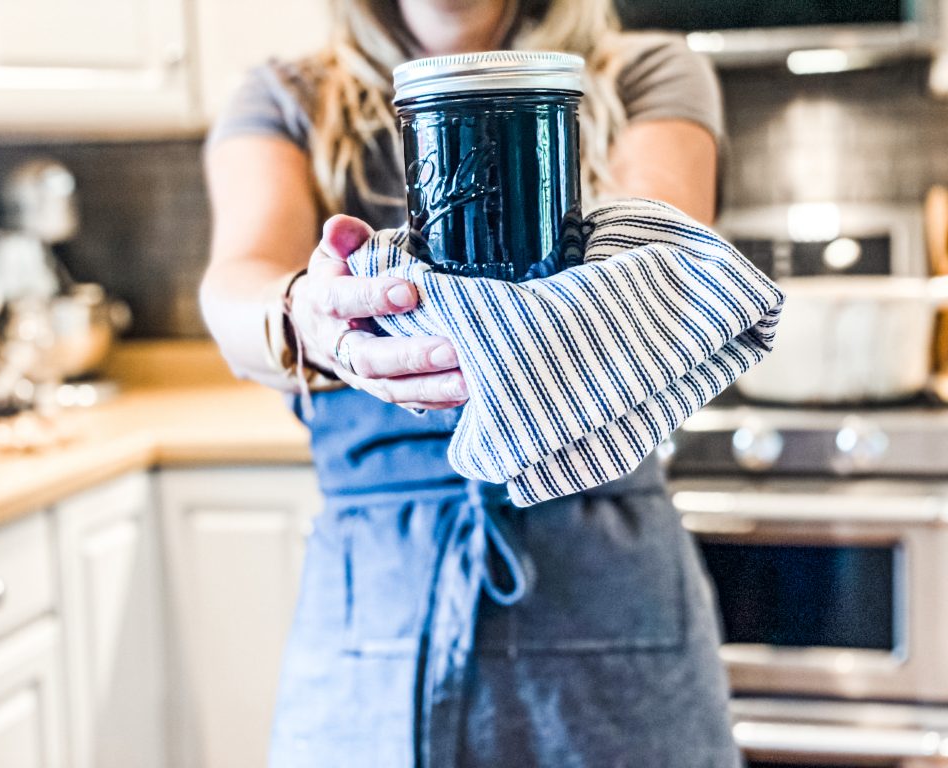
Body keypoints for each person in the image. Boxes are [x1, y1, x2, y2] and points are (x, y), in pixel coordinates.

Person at [200, 0, 741, 765]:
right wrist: (302, 311)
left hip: (597, 565)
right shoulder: (289, 97)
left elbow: (660, 251)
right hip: (376, 584)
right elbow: (236, 282)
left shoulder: (641, 71)